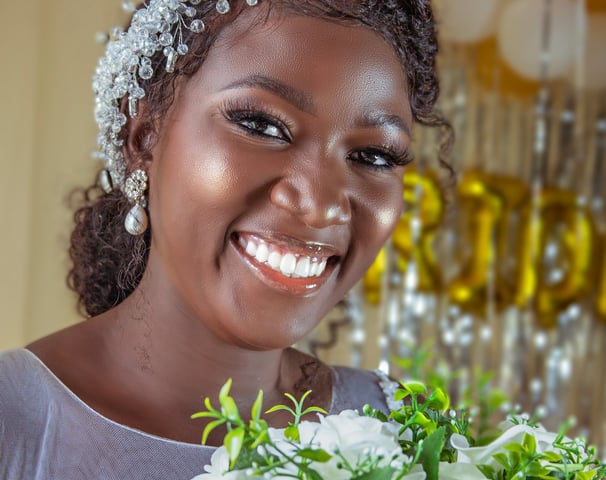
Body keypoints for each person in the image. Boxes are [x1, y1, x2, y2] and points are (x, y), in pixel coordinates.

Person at [0, 0, 451, 478]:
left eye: (374, 155)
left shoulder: (407, 430)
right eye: (262, 126)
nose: (321, 205)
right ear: (144, 138)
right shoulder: (15, 424)